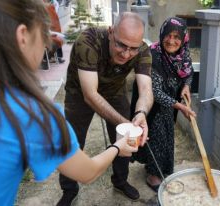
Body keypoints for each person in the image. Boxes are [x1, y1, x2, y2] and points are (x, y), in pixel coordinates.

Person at [0, 1, 137, 205]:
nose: (48, 44)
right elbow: (88, 172)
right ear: (22, 36)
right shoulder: (32, 115)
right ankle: (69, 191)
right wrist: (118, 146)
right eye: (44, 33)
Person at [58, 12, 153, 204]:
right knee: (72, 141)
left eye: (132, 49)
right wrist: (126, 123)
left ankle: (120, 181)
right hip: (80, 93)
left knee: (124, 140)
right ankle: (69, 189)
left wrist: (141, 113)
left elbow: (145, 89)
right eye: (120, 45)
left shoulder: (142, 49)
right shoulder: (88, 41)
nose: (126, 54)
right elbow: (90, 95)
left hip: (114, 91)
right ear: (111, 32)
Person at [131, 17, 196, 192]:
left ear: (183, 39)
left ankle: (161, 169)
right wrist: (181, 106)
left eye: (177, 37)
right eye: (168, 35)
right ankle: (153, 175)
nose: (172, 41)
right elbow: (156, 92)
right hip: (152, 105)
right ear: (162, 34)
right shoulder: (153, 55)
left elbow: (188, 73)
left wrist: (186, 86)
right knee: (157, 137)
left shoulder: (183, 54)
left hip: (170, 106)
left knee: (167, 136)